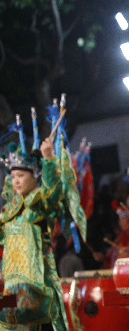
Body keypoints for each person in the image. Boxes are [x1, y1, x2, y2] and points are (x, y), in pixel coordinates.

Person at [0, 137, 70, 330]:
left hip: (37, 284)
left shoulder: (41, 203)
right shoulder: (8, 211)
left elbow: (55, 194)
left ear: (35, 175)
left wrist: (47, 159)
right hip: (11, 285)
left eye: (21, 175)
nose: (16, 181)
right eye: (13, 177)